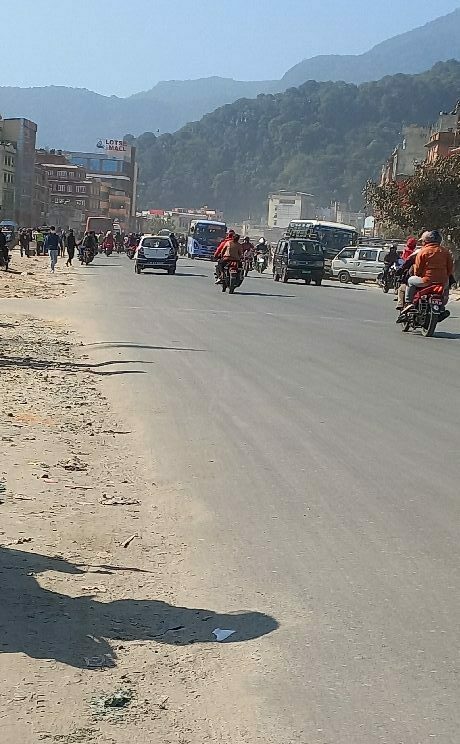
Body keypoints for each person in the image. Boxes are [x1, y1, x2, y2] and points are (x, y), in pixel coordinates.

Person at [402, 230, 454, 311]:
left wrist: (419, 275)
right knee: (446, 284)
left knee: (410, 281)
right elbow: (450, 269)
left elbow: (417, 270)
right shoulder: (446, 252)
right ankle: (443, 303)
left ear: (426, 241)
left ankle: (408, 303)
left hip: (426, 281)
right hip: (442, 282)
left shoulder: (423, 251)